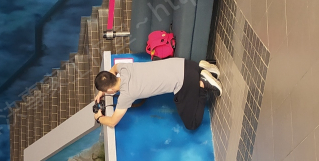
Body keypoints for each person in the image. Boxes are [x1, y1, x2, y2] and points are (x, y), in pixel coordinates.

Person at [92, 58, 222, 130]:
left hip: (185, 81)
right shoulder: (123, 68)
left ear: (109, 90)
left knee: (192, 124)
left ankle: (202, 84)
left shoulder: (126, 95)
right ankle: (202, 68)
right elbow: (113, 70)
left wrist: (99, 118)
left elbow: (112, 122)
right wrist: (102, 90)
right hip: (185, 63)